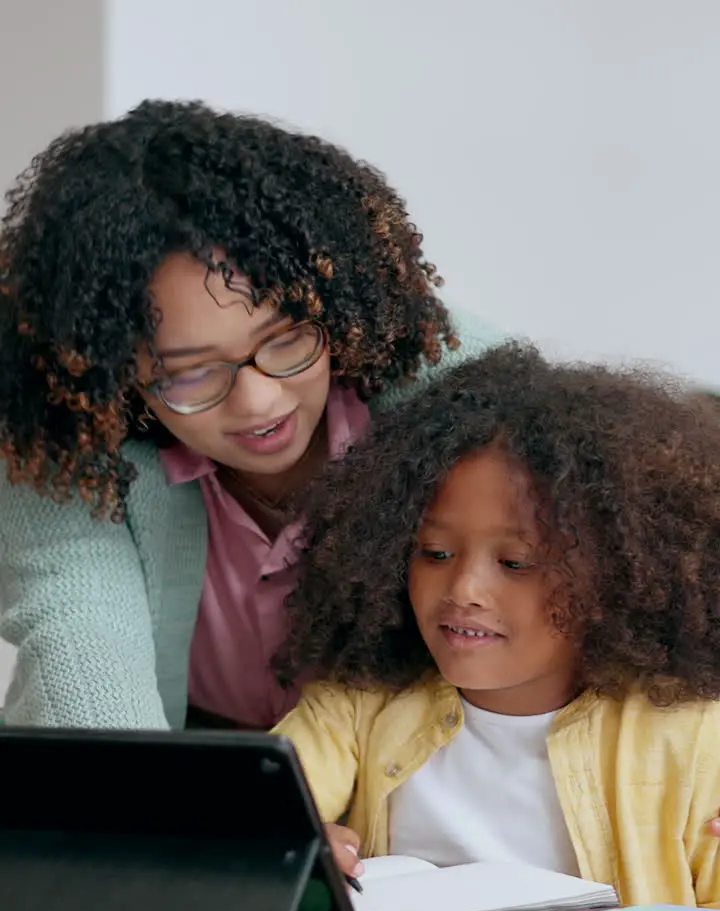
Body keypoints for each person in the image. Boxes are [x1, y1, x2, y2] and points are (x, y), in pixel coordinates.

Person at [272, 342, 720, 911]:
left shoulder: (691, 739)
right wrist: (302, 859)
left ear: (626, 573)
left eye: (517, 561)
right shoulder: (358, 707)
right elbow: (241, 826)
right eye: (434, 550)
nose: (463, 588)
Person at [0, 98, 496, 730]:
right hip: (179, 774)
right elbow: (83, 652)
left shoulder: (456, 386)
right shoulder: (59, 439)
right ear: (112, 371)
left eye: (287, 338)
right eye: (189, 371)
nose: (260, 402)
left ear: (337, 303)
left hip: (410, 772)